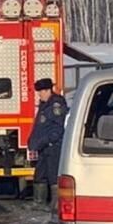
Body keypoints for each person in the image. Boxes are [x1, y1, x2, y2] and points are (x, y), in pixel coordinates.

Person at [28, 78, 68, 206]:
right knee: (40, 174)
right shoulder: (45, 104)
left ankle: (56, 204)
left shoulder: (56, 104)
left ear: (48, 90)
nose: (39, 95)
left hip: (53, 146)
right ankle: (39, 202)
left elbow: (58, 127)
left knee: (53, 175)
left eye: (41, 92)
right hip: (44, 147)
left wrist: (48, 140)